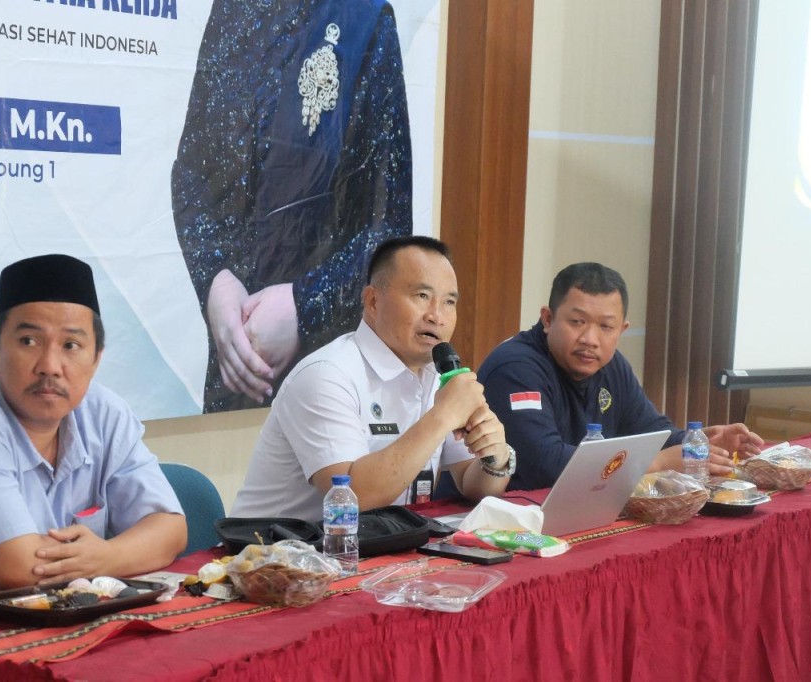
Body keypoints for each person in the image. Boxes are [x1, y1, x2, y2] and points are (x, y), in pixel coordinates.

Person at [0, 255, 187, 606]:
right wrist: (116, 554)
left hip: (44, 619)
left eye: (71, 345)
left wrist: (104, 556)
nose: (50, 366)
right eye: (29, 341)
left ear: (96, 358)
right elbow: (22, 572)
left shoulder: (104, 414)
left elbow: (170, 530)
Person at [172, 0, 413, 413]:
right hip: (237, 368)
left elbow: (390, 230)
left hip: (327, 373)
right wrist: (216, 281)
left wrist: (304, 305)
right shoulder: (233, 11)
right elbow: (193, 175)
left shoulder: (364, 21)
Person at [231, 236, 516, 520]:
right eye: (422, 296)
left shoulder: (436, 375)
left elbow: (472, 484)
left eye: (449, 302)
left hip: (385, 541)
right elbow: (352, 498)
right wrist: (443, 416)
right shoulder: (326, 375)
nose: (437, 316)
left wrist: (495, 458)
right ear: (373, 301)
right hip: (275, 546)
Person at [478, 262, 763, 491]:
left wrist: (696, 441)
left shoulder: (611, 366)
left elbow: (650, 430)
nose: (590, 339)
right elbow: (543, 463)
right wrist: (656, 464)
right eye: (577, 322)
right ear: (548, 319)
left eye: (606, 327)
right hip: (508, 520)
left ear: (621, 330)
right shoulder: (516, 368)